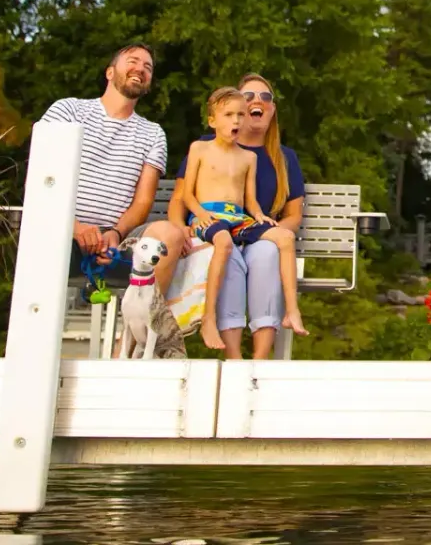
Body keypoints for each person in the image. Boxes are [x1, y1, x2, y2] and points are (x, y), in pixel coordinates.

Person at [35, 43, 188, 298]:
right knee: (47, 238)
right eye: (133, 61)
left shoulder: (153, 134)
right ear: (109, 72)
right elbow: (41, 179)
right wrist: (75, 227)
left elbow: (142, 201)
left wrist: (115, 234)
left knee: (169, 234)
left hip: (118, 240)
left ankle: (140, 333)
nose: (140, 68)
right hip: (62, 229)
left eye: (148, 67)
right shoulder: (68, 111)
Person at [209, 73, 308, 360]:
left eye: (265, 97)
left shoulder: (285, 158)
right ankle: (233, 359)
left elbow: (292, 216)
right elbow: (183, 196)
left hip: (260, 236)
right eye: (249, 96)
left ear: (272, 109)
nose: (257, 101)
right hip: (218, 234)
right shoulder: (210, 146)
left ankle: (260, 360)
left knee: (265, 253)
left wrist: (270, 233)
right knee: (228, 254)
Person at [169, 87, 268, 351]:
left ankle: (291, 312)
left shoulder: (249, 157)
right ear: (212, 121)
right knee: (224, 243)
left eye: (240, 115)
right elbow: (186, 194)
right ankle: (208, 318)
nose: (235, 121)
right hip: (207, 215)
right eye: (228, 115)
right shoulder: (199, 148)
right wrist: (199, 215)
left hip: (237, 217)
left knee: (282, 238)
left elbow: (250, 200)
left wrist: (259, 216)